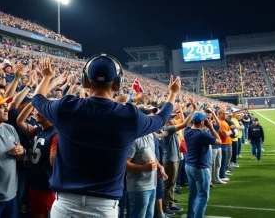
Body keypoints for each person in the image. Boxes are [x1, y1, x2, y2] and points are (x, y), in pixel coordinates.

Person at [32, 56, 181, 218]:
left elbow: (37, 98)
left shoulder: (65, 107)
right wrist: (172, 95)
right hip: (103, 208)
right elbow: (160, 119)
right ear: (118, 83)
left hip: (65, 205)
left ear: (85, 81)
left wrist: (47, 77)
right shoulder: (129, 116)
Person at [17, 102, 58, 218]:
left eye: (41, 110)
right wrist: (32, 102)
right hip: (34, 182)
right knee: (36, 214)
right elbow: (20, 121)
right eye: (36, 109)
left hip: (47, 187)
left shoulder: (56, 134)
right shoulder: (38, 130)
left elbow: (53, 162)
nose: (36, 112)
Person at [184, 112, 222, 218]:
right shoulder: (202, 135)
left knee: (193, 194)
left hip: (189, 166)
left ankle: (190, 216)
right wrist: (211, 128)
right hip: (200, 168)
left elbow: (186, 125)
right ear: (202, 122)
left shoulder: (187, 131)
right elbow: (219, 141)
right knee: (203, 197)